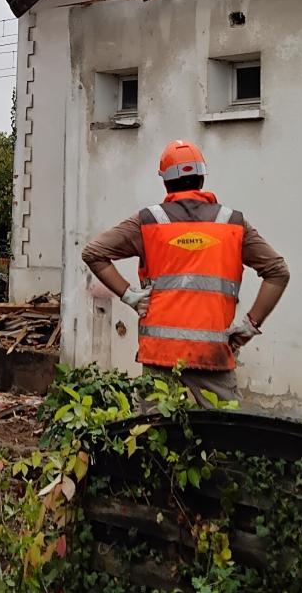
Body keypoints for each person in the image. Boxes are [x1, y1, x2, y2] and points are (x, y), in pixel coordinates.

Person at [81, 139, 289, 408]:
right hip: (212, 354)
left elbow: (93, 252)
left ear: (165, 182)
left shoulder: (148, 222)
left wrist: (129, 295)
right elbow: (278, 272)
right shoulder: (232, 223)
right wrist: (250, 325)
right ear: (201, 178)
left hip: (161, 353)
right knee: (229, 435)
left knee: (153, 434)